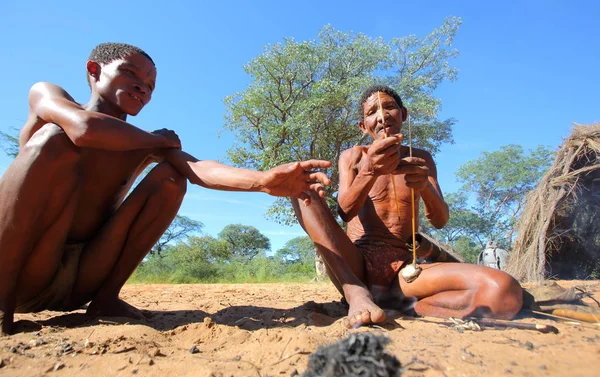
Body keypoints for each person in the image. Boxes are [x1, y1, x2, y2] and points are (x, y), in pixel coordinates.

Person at [0, 42, 331, 335]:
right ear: (94, 71)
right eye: (130, 74)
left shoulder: (141, 145)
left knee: (171, 179)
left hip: (82, 275)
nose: (141, 87)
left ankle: (105, 300)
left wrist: (262, 181)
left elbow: (199, 168)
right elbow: (84, 129)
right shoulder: (47, 94)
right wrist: (158, 141)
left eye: (149, 85)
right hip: (23, 268)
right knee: (53, 139)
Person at [292, 85, 523, 328]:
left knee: (503, 293)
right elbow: (345, 211)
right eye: (372, 112)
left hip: (404, 272)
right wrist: (370, 170)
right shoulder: (354, 157)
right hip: (356, 265)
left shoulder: (421, 158)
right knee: (299, 186)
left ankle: (410, 306)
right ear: (363, 126)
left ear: (403, 114)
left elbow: (440, 220)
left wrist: (425, 186)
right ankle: (357, 296)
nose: (382, 116)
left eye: (389, 107)